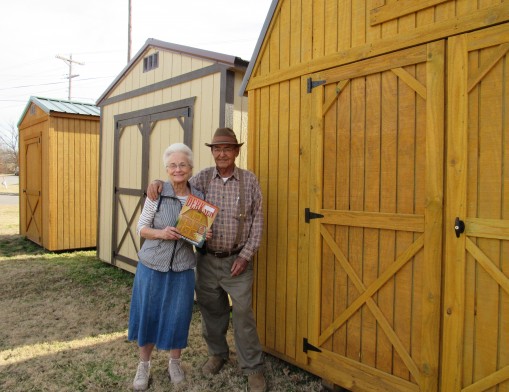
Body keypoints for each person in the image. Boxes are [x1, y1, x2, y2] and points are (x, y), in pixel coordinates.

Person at [147, 128, 266, 392]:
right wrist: (157, 182)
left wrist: (246, 256)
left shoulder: (249, 181)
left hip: (238, 262)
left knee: (244, 314)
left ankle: (253, 367)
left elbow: (258, 222)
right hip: (207, 261)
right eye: (217, 149)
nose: (222, 154)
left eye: (227, 149)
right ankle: (217, 354)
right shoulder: (200, 180)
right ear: (212, 152)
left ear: (236, 151)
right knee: (212, 311)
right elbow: (177, 187)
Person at [128, 143, 211, 391]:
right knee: (148, 313)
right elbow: (140, 228)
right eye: (173, 165)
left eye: (182, 164)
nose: (178, 169)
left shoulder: (198, 198)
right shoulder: (157, 192)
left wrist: (202, 234)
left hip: (183, 268)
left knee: (178, 315)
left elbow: (200, 236)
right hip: (152, 265)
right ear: (166, 168)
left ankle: (175, 362)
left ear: (190, 168)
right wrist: (161, 233)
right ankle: (144, 364)